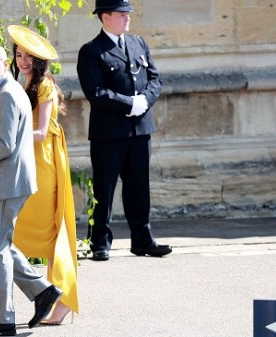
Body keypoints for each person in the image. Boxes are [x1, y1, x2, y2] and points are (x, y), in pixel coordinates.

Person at [0, 25, 78, 325]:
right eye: (18, 54)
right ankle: (40, 293)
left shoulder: (29, 88)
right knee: (1, 241)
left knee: (10, 241)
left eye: (28, 56)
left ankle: (16, 311)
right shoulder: (13, 87)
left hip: (30, 168)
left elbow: (17, 139)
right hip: (18, 169)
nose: (23, 60)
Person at [76, 0, 172, 261]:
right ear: (105, 17)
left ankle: (142, 239)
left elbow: (155, 78)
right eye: (121, 14)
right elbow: (95, 91)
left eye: (128, 13)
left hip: (140, 129)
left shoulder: (137, 43)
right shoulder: (92, 51)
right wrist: (129, 103)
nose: (127, 18)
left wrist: (145, 101)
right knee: (104, 189)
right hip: (109, 132)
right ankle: (100, 242)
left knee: (139, 187)